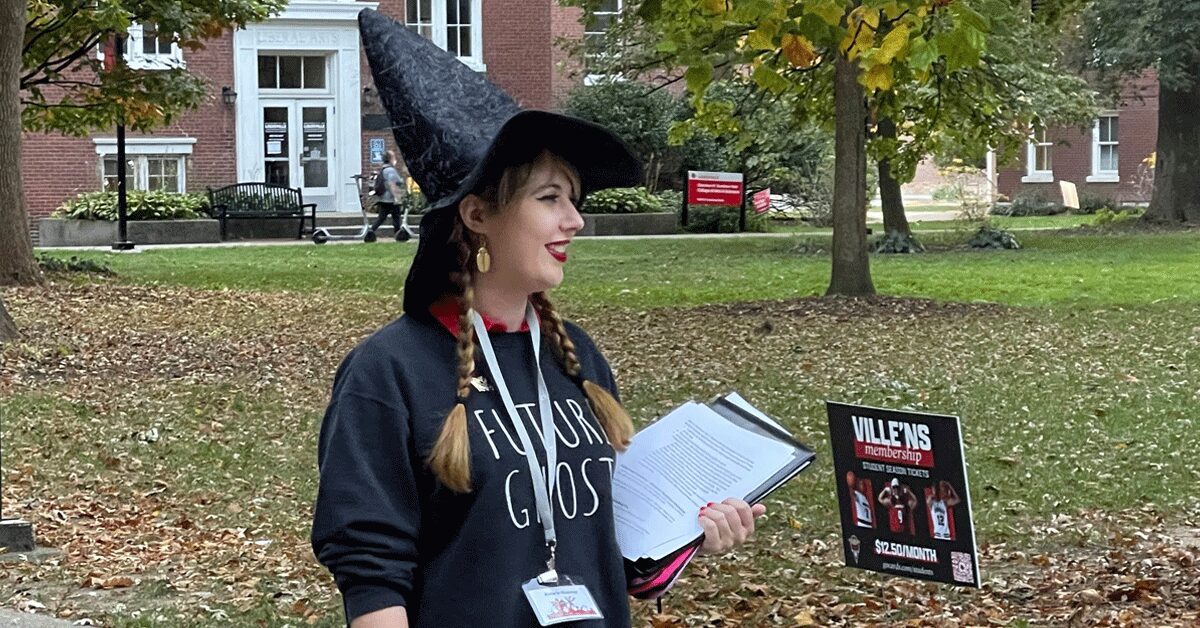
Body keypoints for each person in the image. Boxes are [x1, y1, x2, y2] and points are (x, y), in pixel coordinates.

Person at [311, 10, 766, 628]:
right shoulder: (389, 371)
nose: (574, 221)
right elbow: (371, 569)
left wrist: (688, 533)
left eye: (573, 201)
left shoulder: (575, 356)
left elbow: (614, 551)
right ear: (476, 215)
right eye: (550, 199)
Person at [369, 150, 407, 240]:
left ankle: (371, 231)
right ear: (390, 159)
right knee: (396, 217)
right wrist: (397, 197)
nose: (395, 159)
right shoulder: (390, 170)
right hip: (390, 199)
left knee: (381, 218)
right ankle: (398, 235)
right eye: (394, 157)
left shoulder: (383, 169)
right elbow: (392, 184)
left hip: (384, 198)